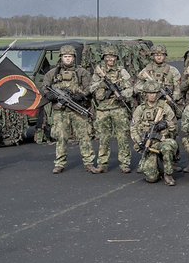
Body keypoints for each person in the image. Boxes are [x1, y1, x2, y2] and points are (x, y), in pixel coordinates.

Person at [42, 44, 97, 174]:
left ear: (74, 58)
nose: (68, 59)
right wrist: (50, 96)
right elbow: (44, 87)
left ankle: (88, 163)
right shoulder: (52, 73)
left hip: (77, 109)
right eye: (65, 56)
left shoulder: (82, 72)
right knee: (61, 137)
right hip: (60, 111)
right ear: (61, 57)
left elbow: (90, 87)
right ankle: (60, 163)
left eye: (70, 56)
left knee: (84, 135)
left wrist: (81, 95)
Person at [90, 46, 135, 174]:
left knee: (122, 137)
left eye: (113, 57)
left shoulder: (122, 71)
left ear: (116, 58)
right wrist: (102, 84)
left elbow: (130, 88)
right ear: (104, 58)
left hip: (118, 108)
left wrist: (122, 95)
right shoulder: (99, 72)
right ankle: (102, 164)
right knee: (103, 137)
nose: (110, 59)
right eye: (107, 57)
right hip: (102, 109)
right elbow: (91, 88)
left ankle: (125, 163)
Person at [130, 80, 177, 185]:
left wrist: (165, 127)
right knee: (151, 178)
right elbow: (133, 128)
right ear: (145, 94)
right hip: (148, 142)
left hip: (162, 140)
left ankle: (168, 174)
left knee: (168, 147)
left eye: (155, 93)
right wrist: (140, 142)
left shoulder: (164, 106)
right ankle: (157, 168)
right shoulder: (140, 109)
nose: (152, 95)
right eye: (150, 93)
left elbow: (173, 124)